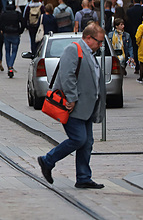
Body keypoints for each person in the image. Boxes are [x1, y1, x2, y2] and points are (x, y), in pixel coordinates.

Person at [37, 23, 106, 189]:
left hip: (87, 107)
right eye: (99, 41)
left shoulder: (89, 52)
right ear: (88, 38)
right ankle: (47, 160)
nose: (100, 45)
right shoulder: (73, 49)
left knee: (87, 142)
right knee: (79, 139)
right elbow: (67, 75)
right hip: (72, 106)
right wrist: (71, 98)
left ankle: (83, 177)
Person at [0, 0, 24, 78]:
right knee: (14, 51)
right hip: (15, 33)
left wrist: (3, 30)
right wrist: (20, 31)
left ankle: (9, 67)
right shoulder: (17, 14)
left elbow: (0, 23)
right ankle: (11, 65)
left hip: (7, 33)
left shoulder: (4, 14)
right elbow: (23, 23)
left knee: (7, 51)